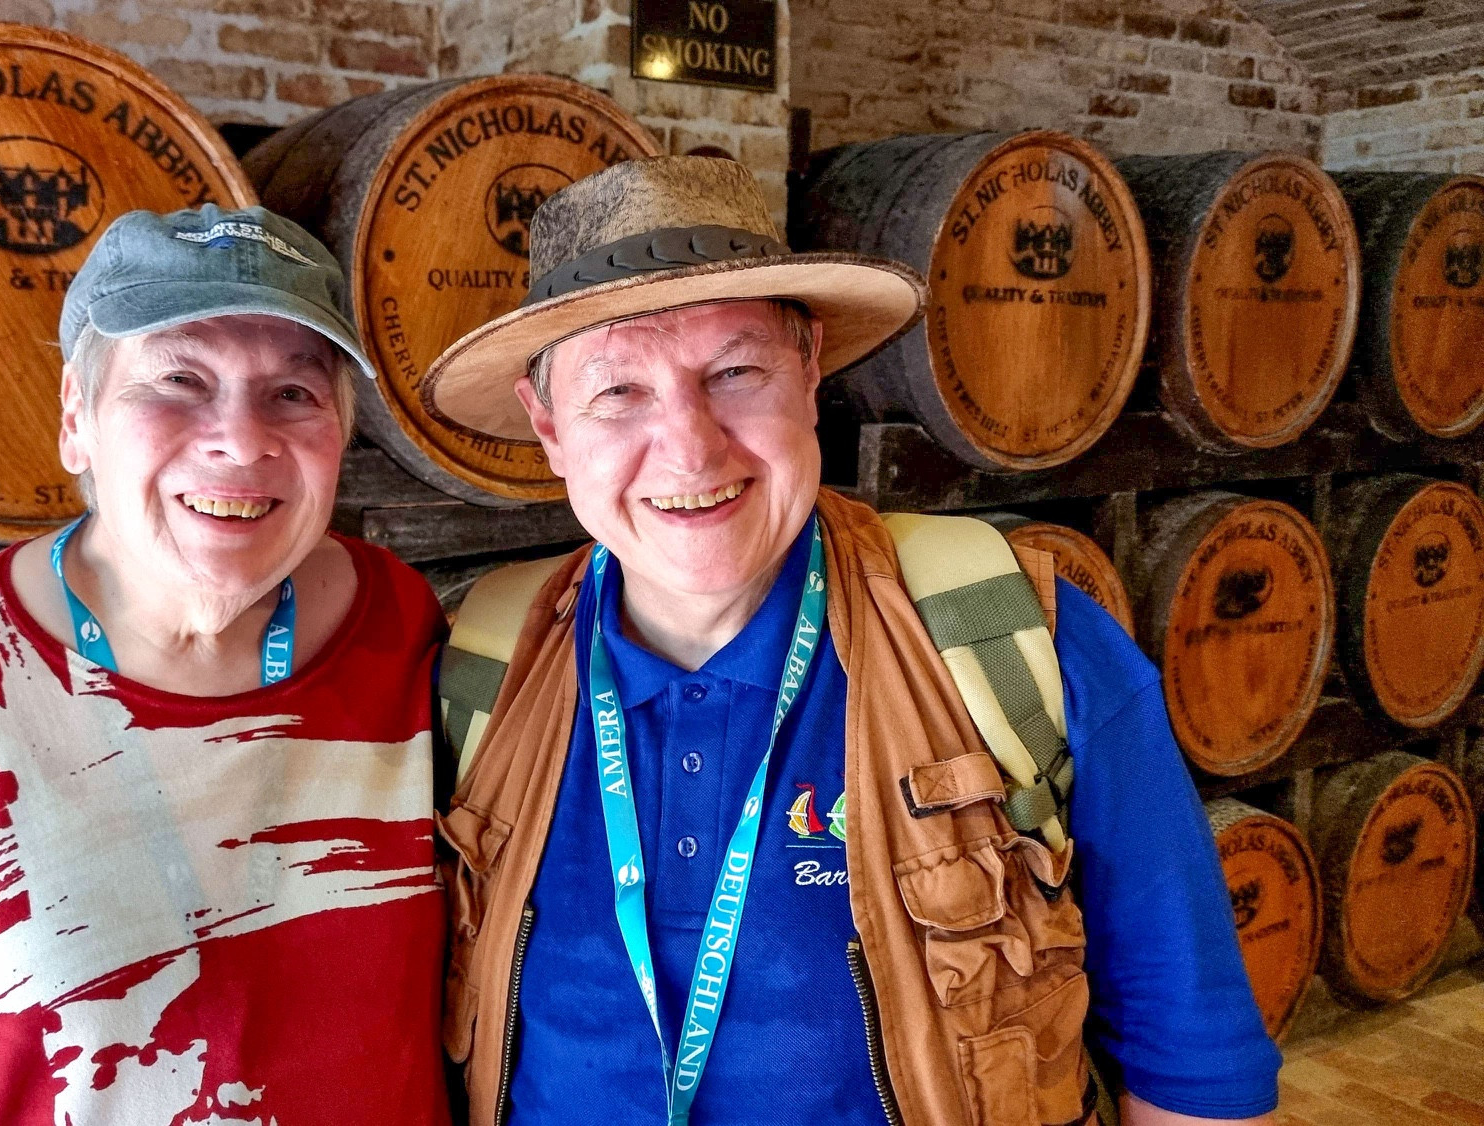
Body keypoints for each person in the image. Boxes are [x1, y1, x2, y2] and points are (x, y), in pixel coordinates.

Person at [422, 157, 1279, 1126]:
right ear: (547, 429)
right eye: (617, 392)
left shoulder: (1013, 635)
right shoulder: (480, 664)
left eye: (734, 372)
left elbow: (1193, 1056)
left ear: (808, 372)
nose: (690, 449)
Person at [0, 205, 451, 1125]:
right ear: (76, 418)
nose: (242, 439)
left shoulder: (402, 629)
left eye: (294, 394)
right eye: (179, 379)